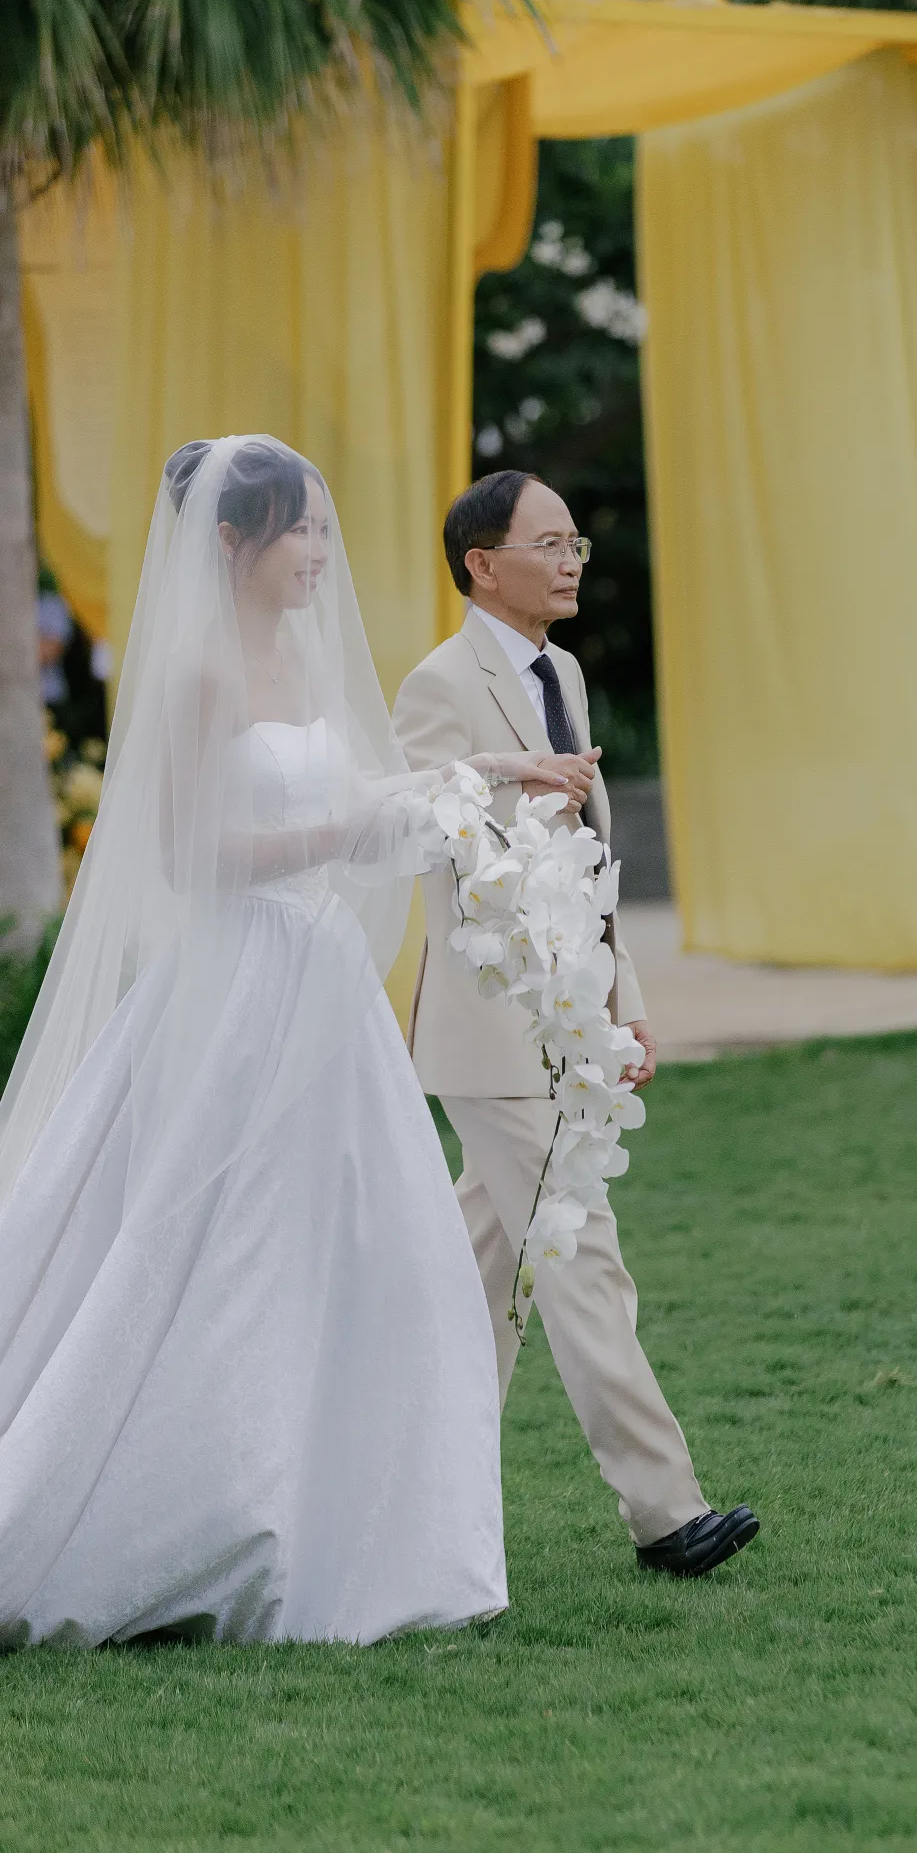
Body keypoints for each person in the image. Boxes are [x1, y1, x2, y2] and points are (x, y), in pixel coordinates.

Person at [0, 436, 568, 1649]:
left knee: (373, 1248)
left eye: (320, 528)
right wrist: (336, 838)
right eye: (297, 530)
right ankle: (198, 1518)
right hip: (238, 979)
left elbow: (358, 803)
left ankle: (362, 1525)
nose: (318, 552)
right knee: (221, 1245)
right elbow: (185, 854)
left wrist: (480, 774)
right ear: (231, 540)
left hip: (324, 980)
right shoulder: (200, 672)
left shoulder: (304, 657)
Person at [393, 470, 759, 1579]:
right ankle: (666, 1510)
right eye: (547, 543)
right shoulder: (438, 683)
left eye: (575, 544)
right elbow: (423, 832)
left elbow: (591, 865)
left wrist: (622, 1009)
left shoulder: (566, 673)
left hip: (566, 1025)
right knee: (580, 1252)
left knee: (481, 1282)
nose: (569, 562)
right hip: (490, 1031)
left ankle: (403, 1496)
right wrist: (519, 803)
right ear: (481, 565)